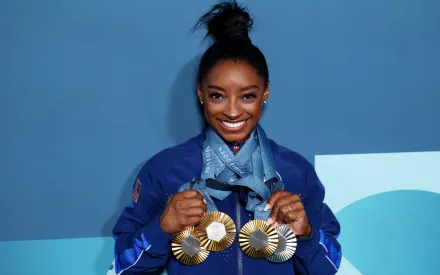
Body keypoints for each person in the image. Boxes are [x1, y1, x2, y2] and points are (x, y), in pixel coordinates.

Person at [111, 1, 342, 274]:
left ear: (265, 94)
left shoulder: (295, 172)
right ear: (200, 94)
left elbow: (328, 268)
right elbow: (125, 269)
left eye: (247, 96)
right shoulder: (163, 171)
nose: (232, 111)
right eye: (217, 95)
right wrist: (161, 228)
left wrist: (306, 233)